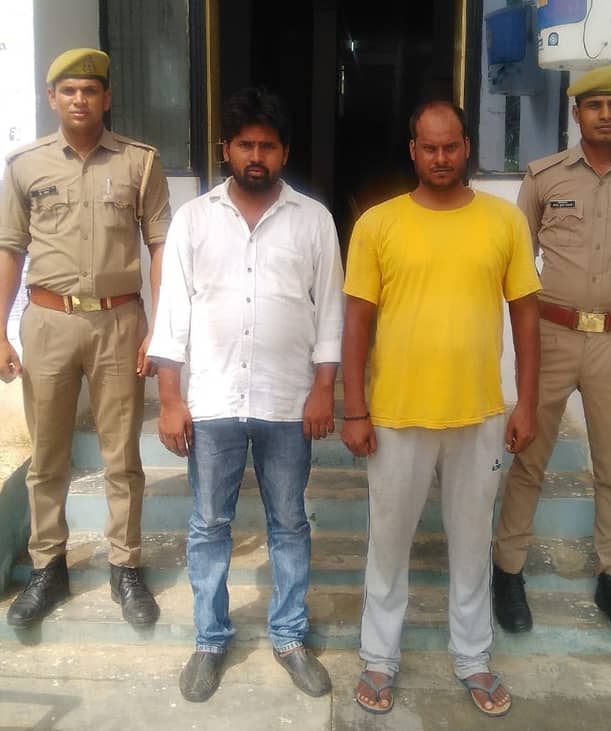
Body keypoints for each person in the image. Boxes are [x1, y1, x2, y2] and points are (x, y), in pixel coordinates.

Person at [341, 98, 541, 717]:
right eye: (429, 147)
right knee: (388, 544)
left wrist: (526, 403)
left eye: (451, 146)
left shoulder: (504, 221)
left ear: (467, 147)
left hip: (479, 415)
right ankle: (379, 657)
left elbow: (526, 318)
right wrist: (354, 408)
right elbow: (356, 321)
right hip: (396, 416)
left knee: (472, 542)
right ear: (413, 151)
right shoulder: (378, 224)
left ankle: (474, 656)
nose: (441, 157)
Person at [148, 87, 344, 703]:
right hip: (213, 402)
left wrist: (324, 389)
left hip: (288, 403)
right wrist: (171, 399)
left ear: (284, 152)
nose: (256, 156)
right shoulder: (193, 219)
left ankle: (289, 635)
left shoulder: (313, 220)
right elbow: (172, 315)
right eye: (245, 145)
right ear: (226, 149)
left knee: (289, 523)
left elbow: (330, 312)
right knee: (210, 524)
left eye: (267, 146)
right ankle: (210, 640)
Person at [493, 65, 611, 641]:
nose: (605, 115)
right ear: (576, 114)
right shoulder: (544, 176)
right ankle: (507, 572)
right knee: (529, 459)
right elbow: (517, 261)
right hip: (551, 336)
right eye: (593, 105)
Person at [0, 49, 170, 628]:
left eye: (90, 90)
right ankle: (48, 566)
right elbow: (10, 249)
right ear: (52, 98)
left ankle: (125, 565)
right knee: (47, 455)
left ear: (106, 98)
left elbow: (160, 246)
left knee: (122, 455)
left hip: (120, 322)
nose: (80, 99)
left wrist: (161, 326)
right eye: (69, 90)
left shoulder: (139, 162)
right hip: (47, 322)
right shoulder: (25, 165)